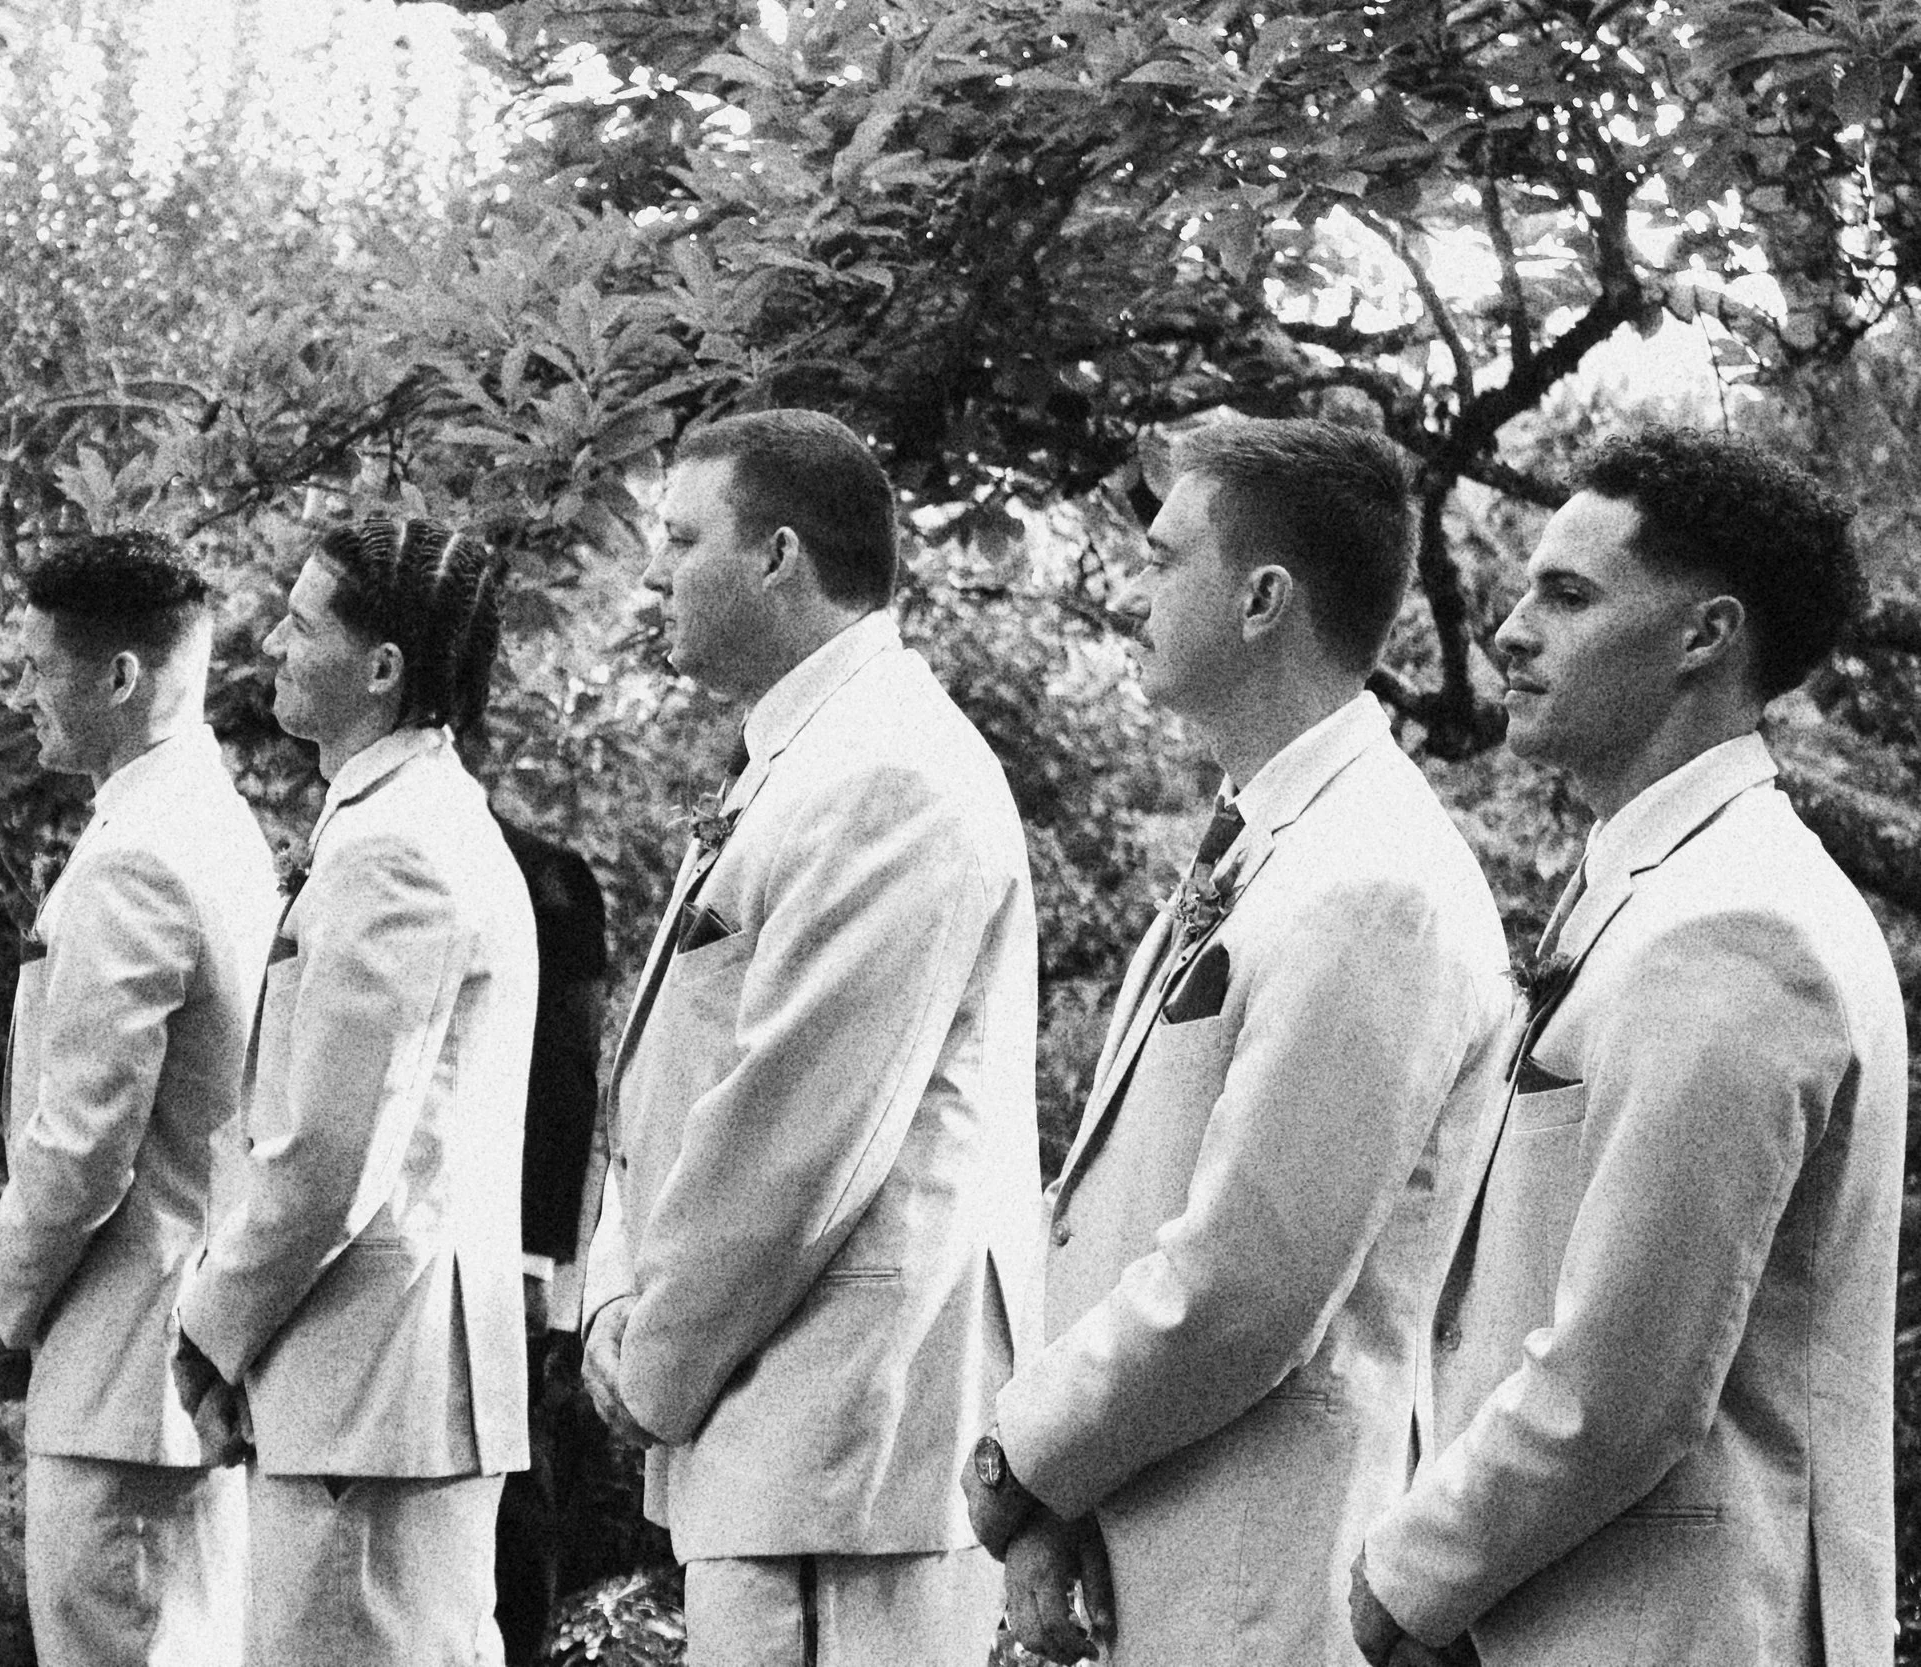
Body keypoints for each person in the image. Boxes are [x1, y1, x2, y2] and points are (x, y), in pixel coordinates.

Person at [1353, 428, 1906, 1666]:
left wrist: (1398, 1581)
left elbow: (1622, 1384)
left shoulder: (1738, 921)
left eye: (1566, 593)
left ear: (1704, 637)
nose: (1505, 629)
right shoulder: (1656, 880)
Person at [968, 419, 1510, 1665]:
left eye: (1162, 560)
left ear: (1264, 597)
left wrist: (1020, 1461)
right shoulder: (1271, 833)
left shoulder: (1374, 879)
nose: (1128, 590)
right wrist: (1057, 1506)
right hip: (1158, 1543)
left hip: (1266, 1580)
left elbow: (1246, 1284)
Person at [581, 407, 1043, 1667]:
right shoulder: (806, 757)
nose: (652, 571)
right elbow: (677, 1082)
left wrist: (653, 1362)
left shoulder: (887, 771)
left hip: (844, 1455)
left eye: (681, 539)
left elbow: (793, 1139)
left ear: (778, 555)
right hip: (780, 1443)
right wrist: (613, 1294)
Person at [173, 514, 534, 1667]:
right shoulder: (407, 825)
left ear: (383, 670)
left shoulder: (398, 851)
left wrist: (208, 1326)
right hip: (373, 1395)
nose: (272, 639)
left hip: (370, 1399)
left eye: (299, 619)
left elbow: (330, 1155)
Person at [0, 531, 277, 1667]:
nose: (27, 693)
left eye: (41, 666)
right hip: (171, 1359)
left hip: (126, 1365)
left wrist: (2, 1305)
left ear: (119, 676)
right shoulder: (212, 826)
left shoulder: (141, 851)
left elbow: (85, 1136)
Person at [492, 817, 612, 1664]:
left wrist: (539, 1262)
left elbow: (568, 1073)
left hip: (515, 1261)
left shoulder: (543, 874)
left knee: (515, 1501)